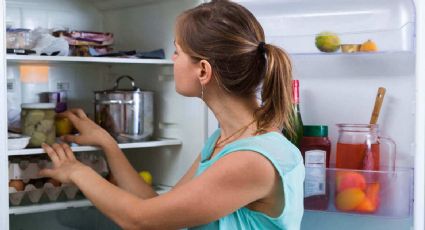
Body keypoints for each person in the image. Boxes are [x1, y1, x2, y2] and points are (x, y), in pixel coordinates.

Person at [40, 0, 305, 229]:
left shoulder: (253, 160)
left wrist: (77, 171)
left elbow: (139, 220)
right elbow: (156, 208)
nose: (173, 60)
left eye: (177, 51)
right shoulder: (225, 140)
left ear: (203, 70)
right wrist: (108, 144)